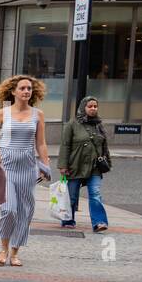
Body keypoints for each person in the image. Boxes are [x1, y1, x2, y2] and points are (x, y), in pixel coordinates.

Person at [0, 75, 51, 267]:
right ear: (13, 91)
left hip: (27, 169)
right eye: (23, 88)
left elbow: (41, 143)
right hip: (6, 167)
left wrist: (45, 165)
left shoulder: (38, 115)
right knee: (9, 210)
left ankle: (15, 252)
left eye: (29, 89)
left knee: (25, 211)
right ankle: (3, 249)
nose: (26, 91)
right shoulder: (2, 113)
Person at [58, 96, 111, 232]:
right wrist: (63, 166)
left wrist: (106, 160)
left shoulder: (98, 125)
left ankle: (99, 222)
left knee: (95, 194)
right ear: (83, 108)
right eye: (90, 106)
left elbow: (104, 146)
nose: (93, 109)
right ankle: (68, 219)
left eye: (95, 106)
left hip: (94, 167)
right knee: (72, 195)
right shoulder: (72, 124)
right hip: (75, 165)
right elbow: (65, 145)